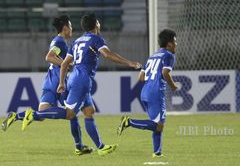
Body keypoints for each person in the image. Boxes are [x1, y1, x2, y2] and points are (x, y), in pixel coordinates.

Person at [21, 13, 142, 156]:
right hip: (82, 80)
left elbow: (65, 63)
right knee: (69, 113)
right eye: (98, 23)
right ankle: (34, 115)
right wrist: (129, 63)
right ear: (96, 24)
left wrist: (61, 83)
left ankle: (100, 147)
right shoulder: (96, 39)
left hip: (74, 78)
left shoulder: (77, 41)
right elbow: (108, 54)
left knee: (89, 111)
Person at [1, 15, 92, 155]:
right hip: (58, 84)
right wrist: (65, 64)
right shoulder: (60, 41)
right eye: (71, 26)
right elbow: (49, 56)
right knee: (72, 114)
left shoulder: (57, 41)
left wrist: (66, 63)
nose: (72, 29)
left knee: (42, 115)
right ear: (66, 27)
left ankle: (16, 116)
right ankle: (79, 146)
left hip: (48, 82)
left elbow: (53, 57)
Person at [117, 29, 178, 157]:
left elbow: (141, 77)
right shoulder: (169, 56)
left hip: (145, 92)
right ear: (169, 44)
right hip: (156, 93)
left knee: (156, 123)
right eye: (175, 41)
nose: (176, 44)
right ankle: (129, 122)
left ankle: (157, 152)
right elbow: (165, 73)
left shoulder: (153, 56)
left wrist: (152, 78)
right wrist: (173, 86)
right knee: (159, 124)